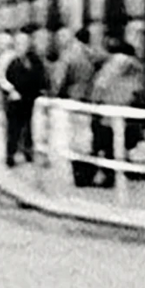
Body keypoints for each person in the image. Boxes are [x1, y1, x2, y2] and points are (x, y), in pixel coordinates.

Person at [88, 36, 142, 179]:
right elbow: (137, 90)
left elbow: (100, 86)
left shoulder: (111, 65)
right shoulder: (135, 67)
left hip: (107, 110)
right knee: (118, 142)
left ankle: (106, 173)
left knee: (103, 143)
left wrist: (95, 104)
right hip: (125, 110)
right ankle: (114, 171)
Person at [53, 25, 100, 185]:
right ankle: (88, 173)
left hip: (74, 101)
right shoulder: (94, 54)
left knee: (75, 140)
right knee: (88, 139)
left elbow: (60, 80)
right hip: (91, 101)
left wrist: (57, 95)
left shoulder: (69, 55)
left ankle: (79, 175)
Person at [0, 30, 46, 168]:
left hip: (29, 99)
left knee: (28, 126)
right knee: (13, 129)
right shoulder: (10, 60)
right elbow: (1, 77)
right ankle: (10, 155)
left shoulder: (34, 60)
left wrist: (40, 90)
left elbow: (40, 76)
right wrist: (10, 90)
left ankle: (27, 152)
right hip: (14, 100)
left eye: (26, 43)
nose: (23, 46)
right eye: (20, 43)